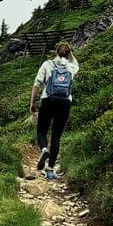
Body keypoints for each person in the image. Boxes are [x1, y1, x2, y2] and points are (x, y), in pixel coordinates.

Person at [30, 41, 79, 179]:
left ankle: (44, 149)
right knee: (56, 135)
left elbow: (37, 84)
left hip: (48, 100)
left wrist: (32, 102)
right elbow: (76, 63)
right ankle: (50, 170)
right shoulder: (71, 67)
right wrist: (70, 52)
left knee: (41, 131)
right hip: (65, 103)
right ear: (68, 53)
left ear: (56, 52)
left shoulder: (47, 64)